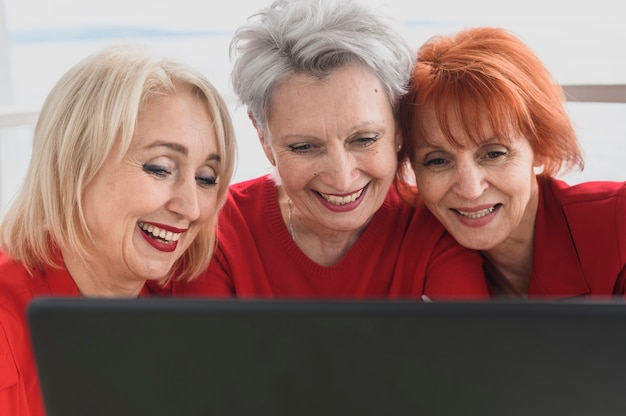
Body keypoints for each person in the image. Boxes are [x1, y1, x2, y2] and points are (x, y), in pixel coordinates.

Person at [169, 0, 489, 299]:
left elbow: (470, 351)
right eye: (305, 147)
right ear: (263, 137)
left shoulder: (438, 225)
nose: (341, 178)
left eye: (364, 140)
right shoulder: (216, 230)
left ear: (398, 126)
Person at [0, 44, 236, 415]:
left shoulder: (183, 316)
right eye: (160, 168)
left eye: (206, 178)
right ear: (76, 164)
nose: (191, 208)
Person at [398, 26, 626, 297]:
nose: (470, 189)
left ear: (541, 146)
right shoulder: (413, 240)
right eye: (437, 161)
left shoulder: (617, 222)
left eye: (494, 154)